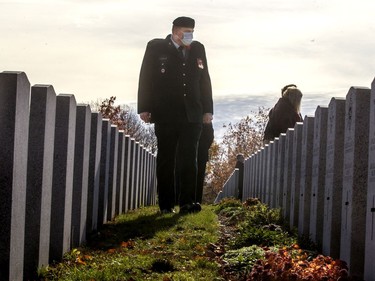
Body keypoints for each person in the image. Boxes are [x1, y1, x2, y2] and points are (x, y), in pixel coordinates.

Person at [137, 16, 213, 214]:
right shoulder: (156, 47)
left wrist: (207, 110)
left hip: (192, 113)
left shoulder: (198, 49)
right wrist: (144, 107)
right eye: (186, 32)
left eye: (191, 32)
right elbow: (146, 76)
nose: (189, 36)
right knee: (166, 159)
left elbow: (205, 79)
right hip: (166, 113)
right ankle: (166, 204)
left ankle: (187, 202)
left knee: (190, 159)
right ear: (175, 32)